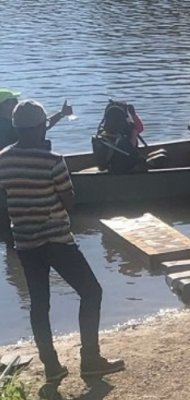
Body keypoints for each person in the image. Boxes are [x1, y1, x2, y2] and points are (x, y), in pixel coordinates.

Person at [0, 100, 125, 382]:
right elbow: (68, 201)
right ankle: (91, 359)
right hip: (56, 239)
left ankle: (52, 366)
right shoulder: (53, 160)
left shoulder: (3, 159)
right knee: (91, 292)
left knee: (39, 304)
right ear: (40, 127)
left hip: (25, 243)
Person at [92, 100, 167, 173]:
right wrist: (133, 133)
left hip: (121, 164)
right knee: (161, 158)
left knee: (161, 153)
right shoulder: (120, 139)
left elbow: (139, 129)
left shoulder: (103, 135)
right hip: (125, 169)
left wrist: (133, 115)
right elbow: (133, 152)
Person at [0, 88, 72, 150]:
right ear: (2, 105)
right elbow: (39, 127)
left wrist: (61, 114)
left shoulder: (14, 122)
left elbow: (40, 125)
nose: (17, 103)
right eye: (13, 100)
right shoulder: (7, 126)